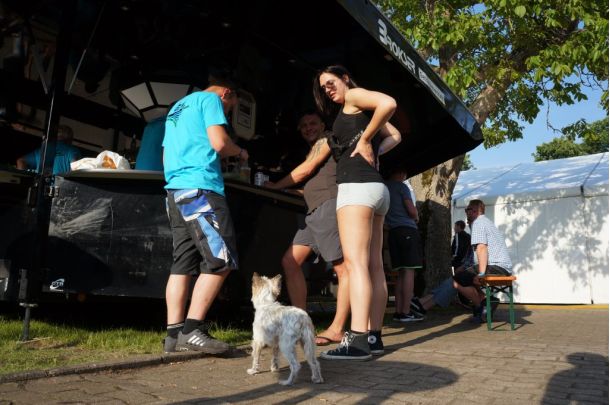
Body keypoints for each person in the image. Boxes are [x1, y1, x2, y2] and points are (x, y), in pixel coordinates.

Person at [313, 65, 401, 360]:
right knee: (374, 266)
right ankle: (373, 337)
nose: (327, 89)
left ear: (345, 78)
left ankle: (358, 340)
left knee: (356, 265)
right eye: (323, 87)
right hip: (376, 190)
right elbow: (395, 135)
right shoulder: (359, 108)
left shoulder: (354, 97)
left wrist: (364, 142)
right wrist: (375, 149)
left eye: (331, 82)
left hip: (357, 190)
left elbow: (388, 103)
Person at [162, 77, 249, 354]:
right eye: (229, 108)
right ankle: (192, 330)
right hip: (201, 188)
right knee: (221, 259)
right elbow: (220, 143)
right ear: (226, 93)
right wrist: (240, 152)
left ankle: (173, 335)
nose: (226, 113)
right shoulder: (210, 100)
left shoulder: (176, 108)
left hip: (175, 190)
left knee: (183, 262)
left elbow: (165, 155)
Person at [265, 110, 349, 346]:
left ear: (323, 125)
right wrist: (290, 190)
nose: (308, 128)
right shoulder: (314, 148)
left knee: (342, 268)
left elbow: (306, 170)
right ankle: (301, 323)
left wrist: (275, 186)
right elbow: (313, 181)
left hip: (327, 206)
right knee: (290, 261)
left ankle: (338, 328)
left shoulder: (327, 139)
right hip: (313, 211)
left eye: (313, 123)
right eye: (303, 125)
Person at [453, 199, 512, 323]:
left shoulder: (479, 223)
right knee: (467, 277)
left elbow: (481, 248)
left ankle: (481, 306)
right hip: (502, 267)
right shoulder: (485, 222)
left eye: (467, 210)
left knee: (457, 279)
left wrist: (481, 273)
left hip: (497, 267)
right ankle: (486, 302)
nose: (466, 212)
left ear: (474, 210)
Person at [384, 166, 424, 322]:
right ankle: (406, 312)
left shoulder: (383, 187)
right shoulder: (401, 187)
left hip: (392, 232)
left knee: (400, 273)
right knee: (409, 272)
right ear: (401, 172)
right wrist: (416, 216)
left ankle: (399, 311)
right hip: (407, 230)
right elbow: (411, 210)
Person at [16, 125, 81, 174]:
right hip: (61, 187)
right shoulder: (73, 150)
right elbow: (76, 171)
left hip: (41, 185)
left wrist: (24, 179)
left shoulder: (42, 150)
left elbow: (20, 161)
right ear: (70, 138)